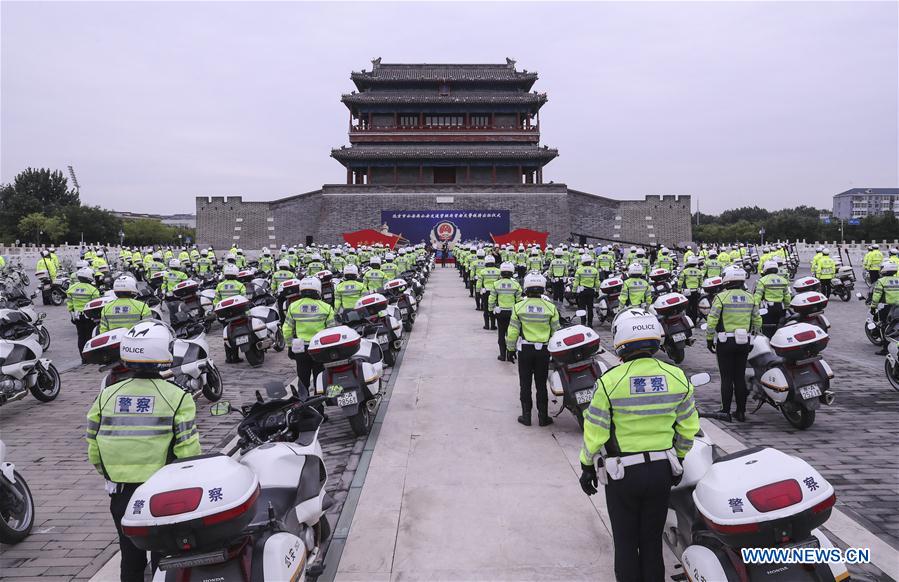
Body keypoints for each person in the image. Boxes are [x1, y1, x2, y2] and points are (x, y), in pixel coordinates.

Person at [578, 308, 699, 582]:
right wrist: (677, 458)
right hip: (661, 471)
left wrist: (586, 465)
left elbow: (594, 432)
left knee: (625, 543)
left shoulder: (609, 382)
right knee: (651, 541)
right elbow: (688, 428)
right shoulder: (678, 378)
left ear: (621, 341)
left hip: (622, 475)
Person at [86, 321, 200, 582]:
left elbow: (93, 444)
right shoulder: (178, 396)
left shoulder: (107, 395)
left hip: (122, 494)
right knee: (166, 555)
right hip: (162, 493)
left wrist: (112, 473)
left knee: (131, 556)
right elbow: (188, 450)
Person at [706, 267, 761, 422]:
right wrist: (752, 337)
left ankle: (726, 411)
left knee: (726, 378)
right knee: (739, 377)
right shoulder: (750, 297)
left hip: (726, 342)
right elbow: (757, 320)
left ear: (727, 279)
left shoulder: (721, 297)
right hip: (744, 342)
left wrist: (709, 338)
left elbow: (712, 320)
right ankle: (741, 412)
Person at [506, 273, 560, 427]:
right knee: (541, 384)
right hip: (543, 351)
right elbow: (556, 331)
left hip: (525, 350)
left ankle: (526, 416)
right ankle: (543, 418)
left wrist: (510, 349)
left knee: (525, 383)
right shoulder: (551, 307)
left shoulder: (518, 307)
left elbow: (513, 331)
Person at [282, 277, 336, 396]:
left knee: (303, 380)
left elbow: (286, 329)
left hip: (301, 348)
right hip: (320, 349)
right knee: (319, 380)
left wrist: (290, 346)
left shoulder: (293, 306)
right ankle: (319, 409)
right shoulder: (326, 308)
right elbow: (332, 329)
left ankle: (303, 408)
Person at [488, 262, 522, 362]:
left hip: (500, 313)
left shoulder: (496, 284)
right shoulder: (516, 284)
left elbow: (491, 299)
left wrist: (491, 311)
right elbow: (519, 301)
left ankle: (502, 355)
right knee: (512, 334)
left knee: (501, 333)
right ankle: (511, 353)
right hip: (513, 313)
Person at [67, 267, 101, 355]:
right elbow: (97, 305)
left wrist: (72, 314)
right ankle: (92, 356)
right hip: (90, 317)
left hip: (77, 316)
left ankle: (83, 357)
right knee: (91, 336)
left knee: (81, 337)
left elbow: (70, 304)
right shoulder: (93, 290)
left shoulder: (72, 288)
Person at [753, 260, 789, 338]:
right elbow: (787, 296)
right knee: (779, 325)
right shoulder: (783, 280)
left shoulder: (762, 280)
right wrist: (786, 307)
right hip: (780, 307)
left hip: (768, 308)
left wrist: (754, 307)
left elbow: (757, 296)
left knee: (767, 327)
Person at [870, 261, 899, 355]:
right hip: (898, 306)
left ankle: (886, 349)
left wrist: (873, 306)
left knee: (884, 325)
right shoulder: (898, 279)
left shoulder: (882, 281)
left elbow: (876, 295)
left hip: (887, 307)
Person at [573, 254, 600, 326]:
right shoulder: (595, 270)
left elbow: (576, 282)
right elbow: (597, 283)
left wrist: (574, 291)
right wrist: (597, 291)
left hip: (582, 291)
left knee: (582, 308)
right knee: (590, 308)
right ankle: (590, 323)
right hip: (591, 291)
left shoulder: (579, 270)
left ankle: (583, 323)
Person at [476, 256, 502, 330]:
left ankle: (487, 325)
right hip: (496, 292)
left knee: (486, 308)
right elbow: (500, 282)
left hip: (486, 292)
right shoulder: (498, 271)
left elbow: (479, 283)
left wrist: (477, 292)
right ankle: (493, 325)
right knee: (494, 307)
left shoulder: (482, 271)